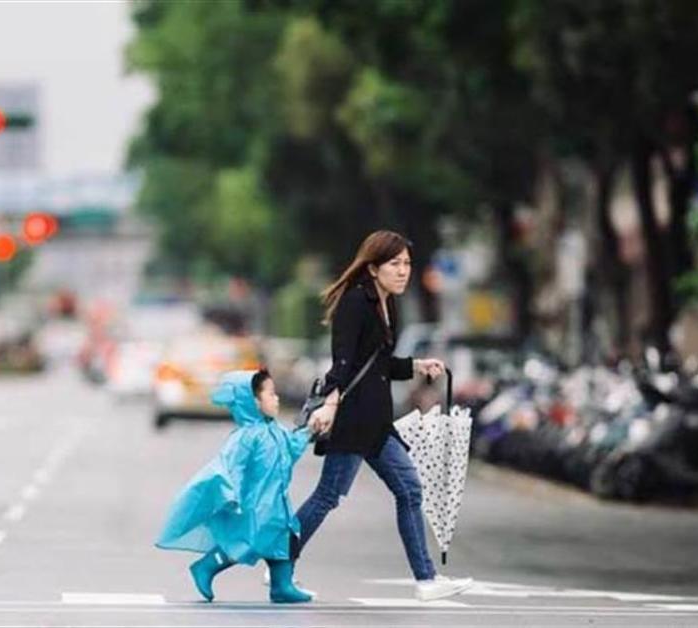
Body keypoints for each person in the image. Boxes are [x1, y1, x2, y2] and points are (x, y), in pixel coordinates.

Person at [296, 229, 473, 601]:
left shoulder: (383, 303)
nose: (403, 271)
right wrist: (331, 403)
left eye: (407, 264)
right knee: (328, 496)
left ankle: (426, 580)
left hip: (375, 421)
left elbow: (376, 364)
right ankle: (280, 560)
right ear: (373, 268)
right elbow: (343, 362)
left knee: (409, 489)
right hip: (354, 418)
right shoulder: (355, 303)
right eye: (395, 264)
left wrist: (417, 365)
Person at [156, 369, 321, 603]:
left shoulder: (276, 430)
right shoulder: (245, 437)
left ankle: (281, 585)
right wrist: (230, 493)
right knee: (248, 542)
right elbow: (230, 466)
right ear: (254, 402)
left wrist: (307, 433)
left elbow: (291, 450)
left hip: (277, 504)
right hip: (255, 505)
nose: (277, 398)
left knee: (281, 540)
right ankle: (206, 566)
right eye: (271, 394)